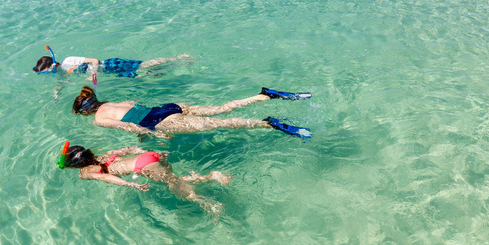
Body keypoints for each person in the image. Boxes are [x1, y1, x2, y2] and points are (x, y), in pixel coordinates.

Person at [71, 86, 312, 139]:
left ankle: (268, 123)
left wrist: (154, 135)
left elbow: (131, 126)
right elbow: (135, 104)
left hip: (161, 121)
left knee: (222, 124)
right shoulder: (116, 102)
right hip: (169, 107)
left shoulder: (99, 119)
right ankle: (263, 95)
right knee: (221, 108)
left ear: (85, 112)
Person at [59, 143, 231, 215]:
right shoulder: (104, 156)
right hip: (149, 156)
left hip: (144, 167)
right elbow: (129, 148)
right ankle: (211, 176)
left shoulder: (85, 172)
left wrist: (129, 183)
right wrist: (149, 153)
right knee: (174, 180)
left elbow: (107, 179)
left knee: (176, 187)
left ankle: (208, 205)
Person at [33, 46, 191, 78]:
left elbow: (95, 60)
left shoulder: (69, 61)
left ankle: (178, 58)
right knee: (144, 76)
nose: (46, 74)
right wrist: (55, 97)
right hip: (110, 73)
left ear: (53, 65)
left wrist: (93, 75)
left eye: (46, 71)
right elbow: (60, 85)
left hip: (110, 65)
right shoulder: (61, 73)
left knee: (145, 65)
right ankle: (174, 66)